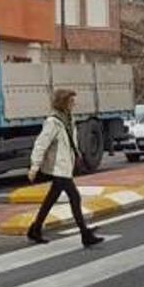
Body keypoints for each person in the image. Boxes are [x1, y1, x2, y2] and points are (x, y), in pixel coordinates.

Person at [26, 90, 105, 247]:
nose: (74, 104)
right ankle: (85, 234)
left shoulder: (69, 119)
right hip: (58, 167)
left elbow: (71, 142)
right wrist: (34, 166)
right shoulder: (52, 122)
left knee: (51, 199)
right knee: (75, 197)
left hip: (65, 166)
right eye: (71, 102)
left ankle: (35, 229)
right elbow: (41, 144)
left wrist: (77, 156)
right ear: (63, 103)